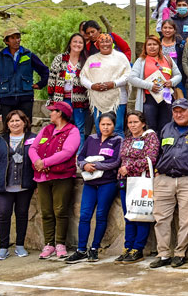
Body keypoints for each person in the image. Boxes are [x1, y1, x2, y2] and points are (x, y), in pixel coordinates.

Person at [150, 99, 188, 269]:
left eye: (182, 111)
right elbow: (158, 150)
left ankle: (180, 253)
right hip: (164, 179)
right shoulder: (166, 128)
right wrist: (157, 171)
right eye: (176, 111)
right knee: (161, 218)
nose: (179, 114)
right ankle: (163, 254)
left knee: (186, 219)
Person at [66, 113, 123, 264]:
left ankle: (94, 249)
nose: (105, 127)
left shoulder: (118, 140)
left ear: (114, 125)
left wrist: (95, 166)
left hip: (107, 183)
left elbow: (115, 162)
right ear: (98, 125)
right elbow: (80, 157)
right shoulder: (91, 139)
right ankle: (81, 250)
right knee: (84, 215)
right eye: (103, 124)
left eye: (109, 124)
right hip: (90, 184)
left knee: (101, 215)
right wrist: (84, 165)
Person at [28, 101, 81, 260]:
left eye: (52, 111)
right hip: (42, 176)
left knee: (60, 210)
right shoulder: (46, 129)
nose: (50, 114)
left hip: (62, 176)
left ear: (60, 113)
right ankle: (49, 244)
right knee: (46, 212)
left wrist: (45, 163)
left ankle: (60, 243)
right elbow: (32, 148)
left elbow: (68, 152)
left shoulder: (73, 131)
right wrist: (38, 162)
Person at [0, 110, 36, 260]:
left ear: (25, 122)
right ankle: (3, 247)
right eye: (11, 121)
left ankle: (20, 245)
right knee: (4, 215)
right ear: (7, 124)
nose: (14, 123)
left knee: (22, 215)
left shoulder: (33, 139)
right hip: (4, 187)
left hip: (24, 186)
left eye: (18, 120)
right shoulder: (0, 140)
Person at [116, 110, 159, 264]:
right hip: (125, 182)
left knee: (140, 215)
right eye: (130, 122)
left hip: (141, 182)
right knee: (129, 215)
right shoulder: (126, 140)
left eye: (135, 122)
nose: (132, 125)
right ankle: (127, 247)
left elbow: (151, 158)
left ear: (143, 123)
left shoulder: (150, 137)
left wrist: (130, 167)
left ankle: (138, 248)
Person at [0, 27, 49, 123]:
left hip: (25, 98)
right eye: (12, 38)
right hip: (6, 99)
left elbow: (45, 71)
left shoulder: (28, 55)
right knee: (8, 128)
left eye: (18, 37)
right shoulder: (0, 58)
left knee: (26, 126)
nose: (16, 40)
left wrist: (40, 84)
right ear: (6, 41)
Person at [80, 33, 131, 137]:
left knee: (117, 128)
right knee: (100, 129)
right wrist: (92, 86)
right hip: (98, 100)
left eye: (107, 41)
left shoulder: (121, 57)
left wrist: (114, 83)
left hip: (118, 98)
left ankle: (117, 152)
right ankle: (103, 152)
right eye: (102, 41)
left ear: (112, 43)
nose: (105, 44)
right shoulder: (92, 59)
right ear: (97, 44)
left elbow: (128, 75)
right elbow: (83, 76)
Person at [129, 35, 182, 134]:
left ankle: (164, 149)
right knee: (150, 126)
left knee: (166, 126)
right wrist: (149, 86)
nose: (152, 47)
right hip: (149, 99)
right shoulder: (141, 61)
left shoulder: (167, 59)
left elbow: (178, 75)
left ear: (159, 46)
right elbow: (132, 78)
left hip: (167, 98)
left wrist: (172, 82)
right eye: (149, 45)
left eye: (155, 44)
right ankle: (152, 148)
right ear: (145, 47)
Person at [47, 33, 89, 150]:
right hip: (61, 98)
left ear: (83, 45)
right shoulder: (60, 59)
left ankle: (78, 155)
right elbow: (52, 78)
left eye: (80, 42)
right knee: (61, 125)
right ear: (70, 43)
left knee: (79, 127)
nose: (77, 44)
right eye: (75, 41)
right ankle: (60, 151)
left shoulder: (85, 60)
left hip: (79, 99)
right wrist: (51, 97)